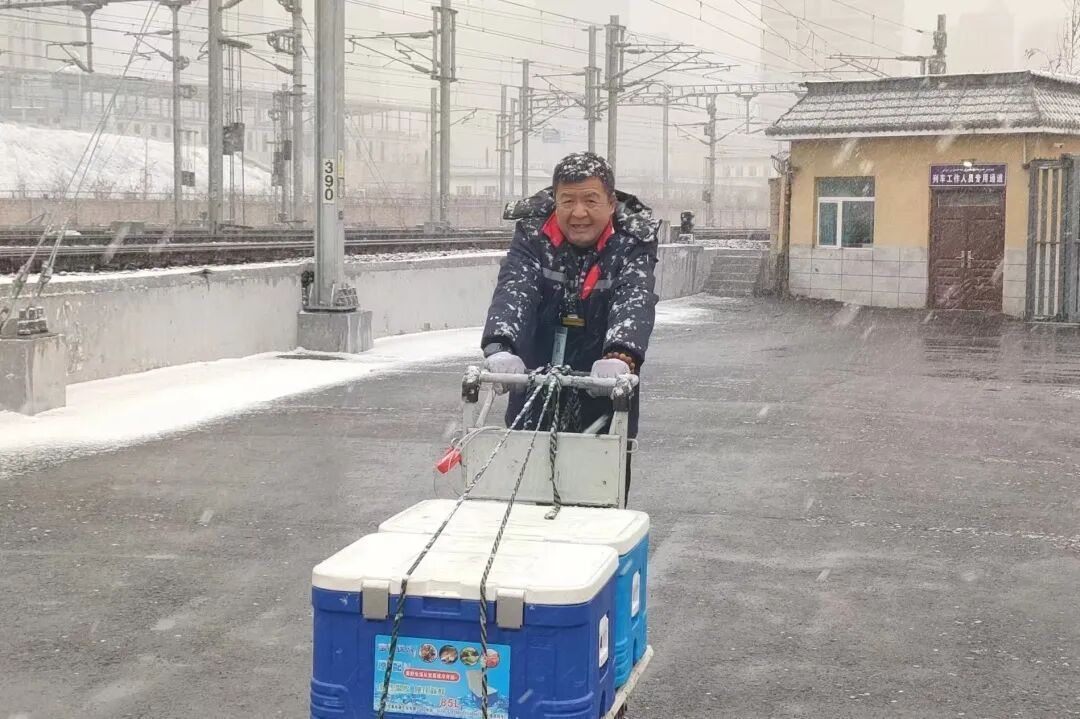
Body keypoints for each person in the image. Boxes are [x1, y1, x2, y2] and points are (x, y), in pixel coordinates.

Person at [480, 151, 660, 500]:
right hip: (535, 378)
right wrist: (501, 346)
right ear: (555, 201)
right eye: (568, 201)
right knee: (525, 489)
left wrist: (621, 355)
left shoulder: (632, 242)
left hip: (603, 383)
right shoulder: (534, 234)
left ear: (611, 203)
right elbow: (515, 288)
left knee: (598, 491)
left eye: (590, 200)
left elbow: (634, 297)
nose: (579, 213)